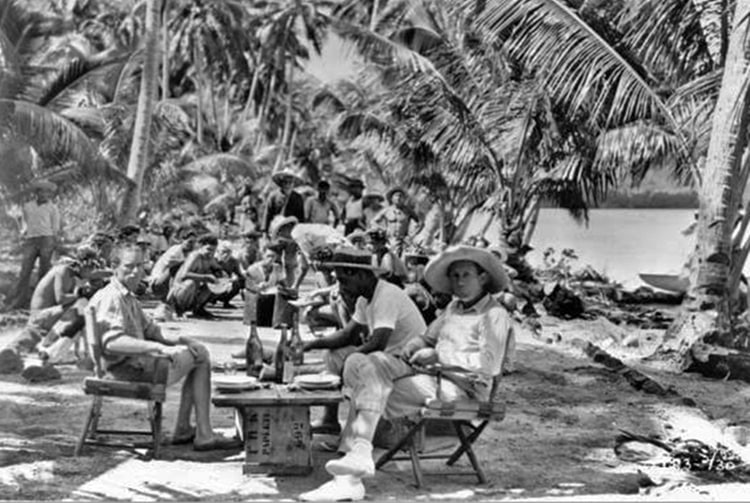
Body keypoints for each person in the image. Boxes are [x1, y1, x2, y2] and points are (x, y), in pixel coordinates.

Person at [299, 245, 515, 501]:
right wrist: (414, 348)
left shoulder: (495, 315)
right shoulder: (454, 309)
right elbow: (426, 337)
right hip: (431, 377)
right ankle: (358, 457)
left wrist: (438, 356)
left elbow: (489, 365)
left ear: (483, 278)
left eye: (465, 275)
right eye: (454, 276)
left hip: (464, 389)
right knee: (362, 361)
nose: (458, 282)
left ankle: (354, 465)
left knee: (370, 385)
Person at [89, 243, 240, 451]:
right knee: (201, 356)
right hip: (125, 371)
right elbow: (112, 342)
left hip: (134, 366)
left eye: (140, 266)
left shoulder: (126, 295)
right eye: (129, 266)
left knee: (197, 351)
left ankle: (186, 429)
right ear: (114, 266)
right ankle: (201, 433)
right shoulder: (112, 297)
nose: (135, 272)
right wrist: (160, 349)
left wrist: (184, 341)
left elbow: (154, 330)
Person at [301, 247, 426, 441]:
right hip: (388, 357)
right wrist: (310, 345)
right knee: (334, 354)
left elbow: (378, 342)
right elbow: (348, 334)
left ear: (360, 275)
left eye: (343, 280)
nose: (341, 287)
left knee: (356, 361)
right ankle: (330, 420)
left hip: (408, 361)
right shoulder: (365, 298)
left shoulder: (386, 295)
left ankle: (357, 435)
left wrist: (351, 360)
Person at [0, 246, 98, 381]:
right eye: (91, 268)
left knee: (84, 309)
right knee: (82, 306)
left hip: (50, 314)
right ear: (85, 264)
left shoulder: (73, 272)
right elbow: (61, 298)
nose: (92, 272)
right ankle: (50, 354)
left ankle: (57, 354)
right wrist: (81, 292)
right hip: (42, 316)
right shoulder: (63, 270)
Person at [12, 179, 62, 309]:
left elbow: (55, 227)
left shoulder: (53, 208)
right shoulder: (28, 206)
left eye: (47, 192)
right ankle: (18, 301)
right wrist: (23, 234)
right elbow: (25, 224)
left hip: (47, 239)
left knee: (44, 271)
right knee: (25, 271)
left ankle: (40, 302)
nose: (45, 194)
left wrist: (55, 242)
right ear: (37, 192)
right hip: (31, 239)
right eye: (42, 191)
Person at [167, 233, 225, 319]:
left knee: (216, 284)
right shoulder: (195, 256)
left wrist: (220, 275)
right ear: (201, 247)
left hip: (193, 293)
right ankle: (179, 310)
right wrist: (206, 277)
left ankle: (198, 309)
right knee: (191, 283)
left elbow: (218, 269)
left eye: (213, 250)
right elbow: (184, 275)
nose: (210, 252)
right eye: (208, 249)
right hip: (179, 291)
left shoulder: (210, 258)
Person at [268, 215, 309, 328]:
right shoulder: (277, 246)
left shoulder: (301, 241)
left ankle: (289, 318)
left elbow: (304, 266)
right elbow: (275, 265)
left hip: (293, 271)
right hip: (278, 278)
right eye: (285, 229)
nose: (288, 231)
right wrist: (282, 281)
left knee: (291, 290)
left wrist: (296, 285)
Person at [147, 228, 197, 302]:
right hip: (158, 283)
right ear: (183, 240)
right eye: (190, 242)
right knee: (177, 267)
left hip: (168, 283)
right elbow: (170, 265)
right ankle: (170, 299)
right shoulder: (175, 250)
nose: (192, 245)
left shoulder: (189, 253)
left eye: (194, 242)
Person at [372, 188, 420, 256]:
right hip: (388, 240)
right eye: (396, 196)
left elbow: (420, 222)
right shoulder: (387, 210)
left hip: (403, 240)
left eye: (400, 196)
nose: (398, 198)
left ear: (404, 199)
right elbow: (373, 221)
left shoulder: (408, 211)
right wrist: (382, 229)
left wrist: (413, 234)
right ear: (392, 198)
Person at [262, 168, 305, 235]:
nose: (287, 185)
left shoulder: (298, 198)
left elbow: (300, 217)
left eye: (290, 182)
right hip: (275, 229)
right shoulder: (273, 196)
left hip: (291, 231)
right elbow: (268, 214)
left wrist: (301, 233)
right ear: (281, 183)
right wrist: (264, 232)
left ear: (293, 184)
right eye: (285, 182)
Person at [213, 241, 244, 308]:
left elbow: (240, 275)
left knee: (238, 282)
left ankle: (226, 301)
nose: (226, 254)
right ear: (218, 251)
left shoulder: (234, 261)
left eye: (228, 252)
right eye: (223, 251)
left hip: (226, 286)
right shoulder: (213, 260)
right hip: (213, 285)